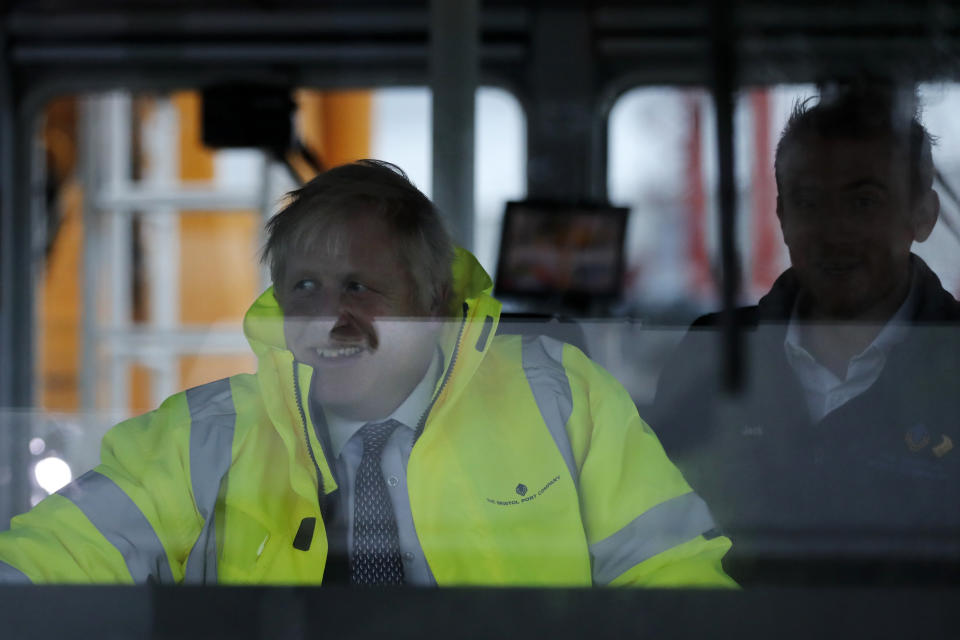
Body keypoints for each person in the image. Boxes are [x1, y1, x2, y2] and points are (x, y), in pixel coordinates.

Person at [0, 160, 733, 587]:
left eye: (360, 287)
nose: (329, 318)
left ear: (437, 301)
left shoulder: (562, 399)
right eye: (306, 289)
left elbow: (674, 583)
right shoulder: (202, 436)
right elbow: (43, 566)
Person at [653, 87, 960, 585]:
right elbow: (654, 536)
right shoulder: (714, 353)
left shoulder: (950, 356)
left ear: (922, 216)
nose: (833, 230)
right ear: (782, 217)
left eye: (863, 202)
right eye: (809, 201)